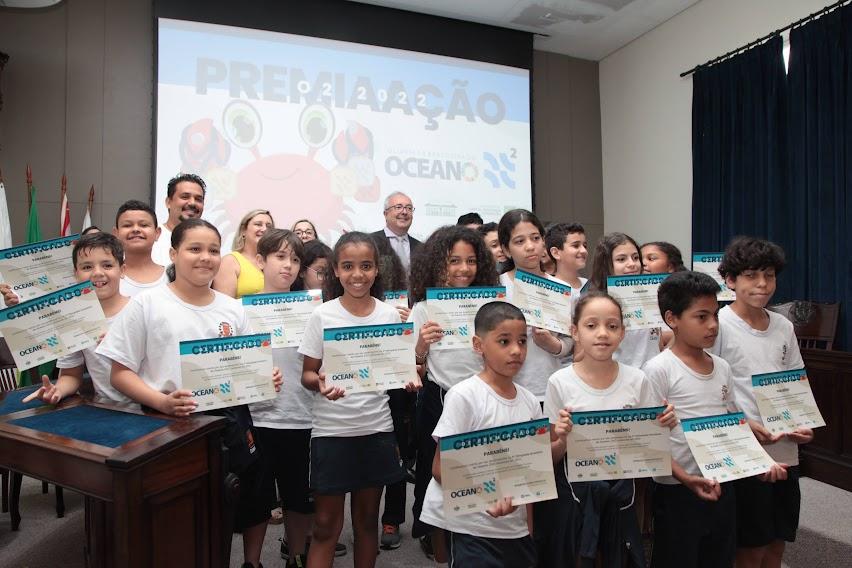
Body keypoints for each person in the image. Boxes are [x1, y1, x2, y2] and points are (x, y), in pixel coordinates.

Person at [97, 218, 282, 568]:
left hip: (231, 419)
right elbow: (120, 373)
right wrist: (161, 401)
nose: (205, 258)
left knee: (252, 497)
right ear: (173, 253)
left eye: (213, 250)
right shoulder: (147, 304)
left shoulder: (232, 309)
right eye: (194, 249)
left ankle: (252, 563)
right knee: (186, 510)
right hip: (168, 424)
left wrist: (265, 376)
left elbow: (249, 368)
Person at [642, 271, 787, 568]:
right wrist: (686, 478)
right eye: (701, 317)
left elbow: (734, 422)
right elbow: (649, 442)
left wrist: (758, 463)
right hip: (677, 488)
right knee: (678, 557)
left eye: (716, 316)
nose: (712, 326)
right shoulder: (658, 369)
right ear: (672, 319)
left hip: (722, 482)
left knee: (719, 556)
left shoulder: (721, 367)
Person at [298, 232, 419, 568]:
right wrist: (319, 383)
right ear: (335, 271)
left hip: (376, 431)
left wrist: (409, 378)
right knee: (325, 527)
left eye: (366, 266)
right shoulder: (322, 316)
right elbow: (307, 374)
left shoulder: (389, 316)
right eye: (348, 266)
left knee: (367, 524)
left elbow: (400, 369)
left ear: (376, 270)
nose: (357, 274)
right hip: (331, 434)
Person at [541, 292, 675, 566]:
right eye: (591, 325)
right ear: (574, 332)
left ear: (623, 333)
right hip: (576, 495)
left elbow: (650, 451)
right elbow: (549, 458)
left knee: (619, 557)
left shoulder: (637, 380)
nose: (602, 333)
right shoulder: (559, 382)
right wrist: (563, 440)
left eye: (612, 326)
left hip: (623, 493)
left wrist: (664, 426)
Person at [419, 301, 551, 567]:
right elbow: (440, 467)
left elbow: (533, 478)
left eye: (522, 341)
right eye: (504, 341)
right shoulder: (464, 396)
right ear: (479, 345)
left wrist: (529, 530)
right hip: (473, 529)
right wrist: (486, 497)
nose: (516, 350)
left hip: (516, 532)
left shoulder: (529, 402)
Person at [711, 237, 811, 568]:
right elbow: (711, 390)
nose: (762, 284)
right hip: (744, 451)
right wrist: (745, 424)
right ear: (730, 280)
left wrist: (802, 422)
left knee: (778, 540)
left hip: (785, 448)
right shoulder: (719, 325)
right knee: (750, 545)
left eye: (769, 275)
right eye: (752, 275)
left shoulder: (783, 326)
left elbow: (795, 380)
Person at [408, 225, 499, 560]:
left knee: (482, 465)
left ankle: (478, 532)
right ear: (438, 263)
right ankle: (438, 540)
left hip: (484, 397)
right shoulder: (423, 308)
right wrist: (421, 346)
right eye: (454, 261)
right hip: (440, 397)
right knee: (436, 473)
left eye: (471, 261)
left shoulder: (491, 303)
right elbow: (413, 367)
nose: (463, 269)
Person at [247, 229, 316, 568]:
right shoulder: (239, 311)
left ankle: (298, 556)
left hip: (302, 414)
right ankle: (251, 561)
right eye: (279, 257)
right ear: (260, 260)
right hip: (257, 418)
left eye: (294, 259)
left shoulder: (313, 309)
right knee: (257, 498)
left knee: (298, 496)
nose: (288, 266)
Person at [23, 233, 131, 404]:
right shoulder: (74, 320)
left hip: (153, 409)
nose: (97, 273)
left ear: (123, 270)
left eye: (107, 265)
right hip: (108, 410)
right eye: (87, 267)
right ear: (76, 274)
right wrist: (57, 390)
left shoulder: (141, 310)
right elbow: (70, 375)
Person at [497, 209, 572, 399]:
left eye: (535, 238)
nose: (530, 246)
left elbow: (569, 342)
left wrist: (553, 344)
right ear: (506, 250)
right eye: (519, 241)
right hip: (507, 390)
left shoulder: (561, 288)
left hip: (550, 389)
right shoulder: (497, 287)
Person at [589, 232, 662, 368]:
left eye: (635, 258)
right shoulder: (594, 304)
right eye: (621, 259)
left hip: (651, 377)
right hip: (616, 377)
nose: (632, 264)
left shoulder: (653, 295)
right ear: (606, 265)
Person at [213, 209, 274, 298]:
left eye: (269, 227)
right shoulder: (230, 261)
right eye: (258, 224)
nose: (265, 229)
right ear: (243, 231)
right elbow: (225, 307)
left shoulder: (274, 263)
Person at [113, 200, 168, 297]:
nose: (136, 229)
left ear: (157, 233)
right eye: (127, 225)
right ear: (116, 233)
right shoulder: (108, 277)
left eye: (144, 225)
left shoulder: (173, 277)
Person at [150, 173, 205, 266]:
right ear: (168, 202)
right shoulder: (152, 238)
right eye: (185, 197)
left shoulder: (208, 240)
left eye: (198, 199)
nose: (192, 203)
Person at [370, 191, 422, 272]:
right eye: (398, 207)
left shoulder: (420, 247)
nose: (404, 212)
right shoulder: (370, 242)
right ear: (386, 214)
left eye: (409, 208)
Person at [545, 222, 588, 295]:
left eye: (585, 246)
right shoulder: (546, 289)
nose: (584, 251)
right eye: (576, 246)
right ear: (556, 253)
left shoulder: (591, 286)